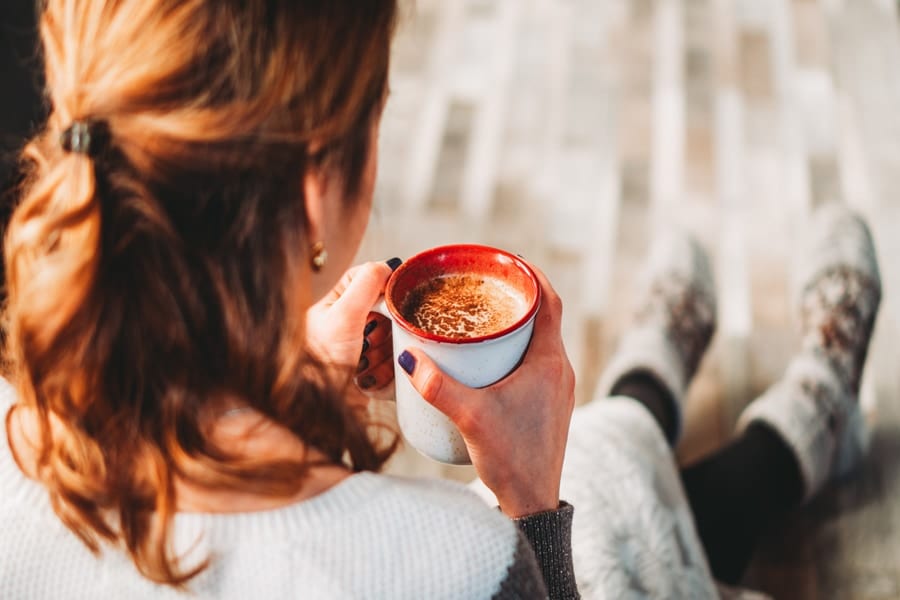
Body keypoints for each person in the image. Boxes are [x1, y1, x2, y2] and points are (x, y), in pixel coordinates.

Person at [0, 3, 883, 600]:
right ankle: (783, 427)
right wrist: (532, 506)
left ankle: (698, 393)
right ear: (318, 186)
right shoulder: (456, 565)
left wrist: (290, 391)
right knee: (601, 476)